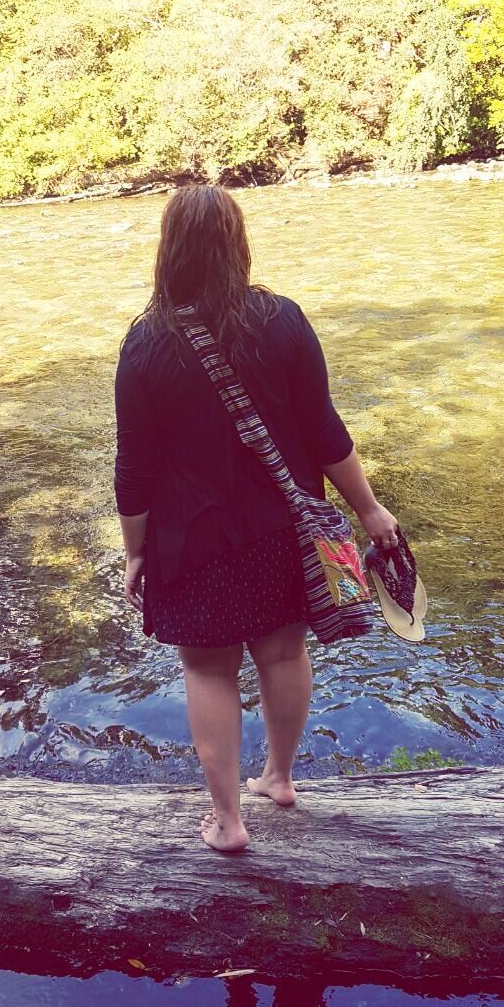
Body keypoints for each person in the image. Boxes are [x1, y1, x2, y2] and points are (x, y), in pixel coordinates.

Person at [113, 184, 398, 852]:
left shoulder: (147, 344)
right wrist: (369, 507)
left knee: (209, 670)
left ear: (169, 251)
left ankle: (227, 821)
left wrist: (136, 552)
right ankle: (279, 778)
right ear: (238, 245)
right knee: (283, 651)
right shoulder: (284, 320)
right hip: (284, 532)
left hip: (193, 539)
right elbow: (325, 432)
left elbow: (135, 468)